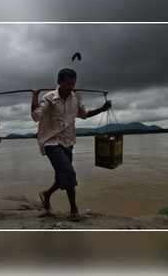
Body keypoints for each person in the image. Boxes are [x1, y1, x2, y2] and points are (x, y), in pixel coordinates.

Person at [31, 68, 111, 221]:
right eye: (68, 84)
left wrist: (102, 108)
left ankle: (46, 194)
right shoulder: (49, 98)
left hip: (68, 141)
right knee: (69, 172)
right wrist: (35, 96)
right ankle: (74, 210)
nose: (71, 87)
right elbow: (36, 116)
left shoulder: (76, 97)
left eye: (73, 84)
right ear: (60, 83)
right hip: (51, 141)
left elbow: (84, 115)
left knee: (62, 176)